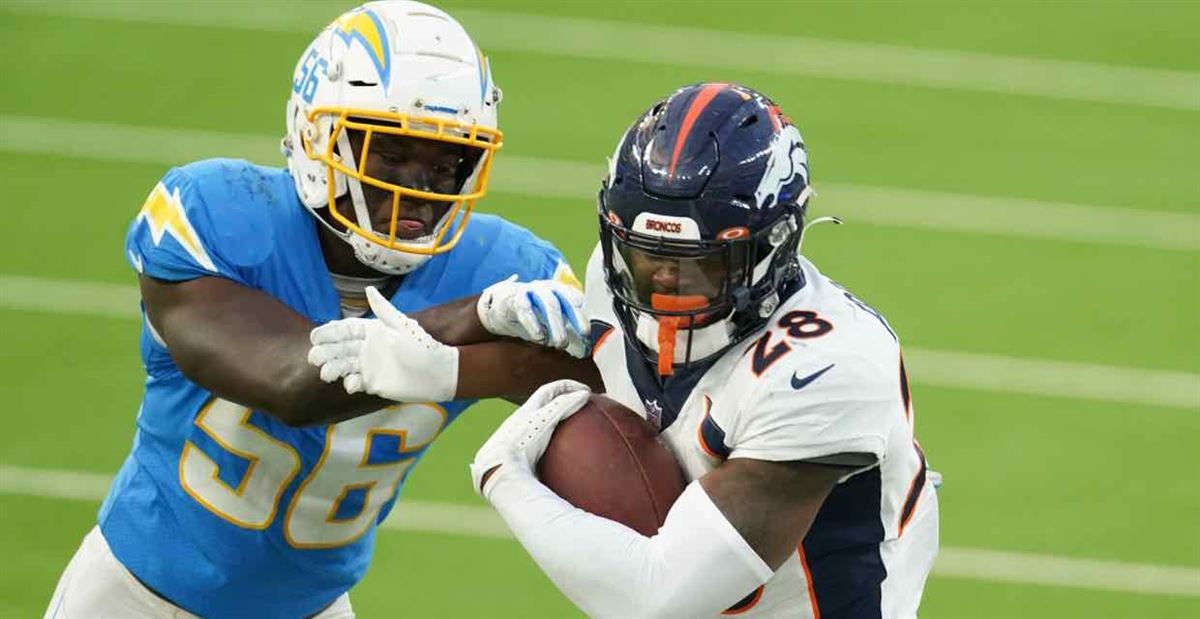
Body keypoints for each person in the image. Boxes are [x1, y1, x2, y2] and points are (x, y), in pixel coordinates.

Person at [44, 2, 595, 617]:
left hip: (314, 606)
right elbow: (292, 383)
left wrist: (602, 349)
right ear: (315, 134)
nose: (419, 187)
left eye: (447, 164)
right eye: (390, 154)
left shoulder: (508, 268)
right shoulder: (218, 217)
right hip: (133, 598)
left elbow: (615, 411)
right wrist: (469, 320)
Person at [468, 83, 940, 618]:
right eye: (649, 253)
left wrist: (502, 476)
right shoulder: (615, 274)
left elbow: (654, 600)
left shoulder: (827, 369)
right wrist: (432, 363)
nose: (667, 278)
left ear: (774, 244)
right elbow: (616, 382)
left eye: (702, 261)